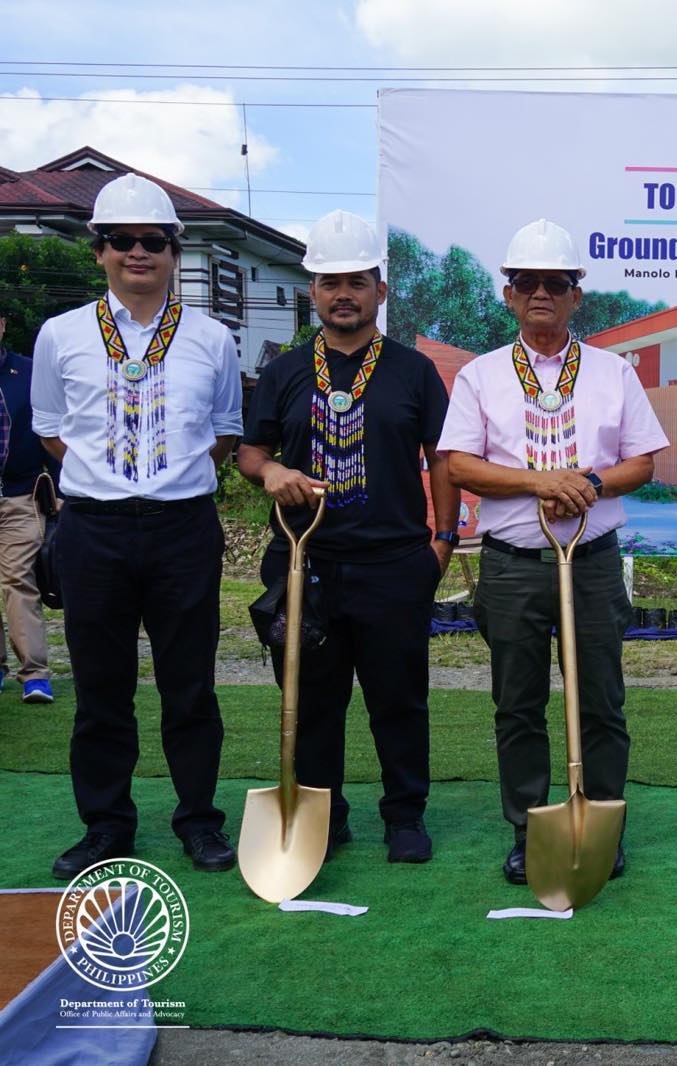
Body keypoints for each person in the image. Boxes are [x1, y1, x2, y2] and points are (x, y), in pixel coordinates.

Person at [438, 219, 668, 885]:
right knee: (517, 704)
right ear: (509, 295)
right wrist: (543, 481)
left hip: (591, 564)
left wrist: (587, 484)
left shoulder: (613, 372)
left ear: (577, 296)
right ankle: (528, 827)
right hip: (513, 567)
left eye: (556, 283)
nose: (541, 293)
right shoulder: (480, 377)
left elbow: (644, 463)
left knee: (601, 702)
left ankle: (601, 824)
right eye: (527, 283)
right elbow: (459, 465)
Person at [31, 174, 242, 878]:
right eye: (121, 240)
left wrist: (165, 484)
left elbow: (221, 434)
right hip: (93, 528)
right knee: (100, 687)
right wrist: (113, 485)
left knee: (190, 686)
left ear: (175, 251)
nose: (138, 252)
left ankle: (199, 822)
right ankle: (106, 825)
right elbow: (53, 433)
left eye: (153, 240)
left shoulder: (212, 339)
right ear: (99, 252)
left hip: (184, 528)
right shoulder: (60, 336)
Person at [238, 210, 458, 864]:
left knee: (399, 700)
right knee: (311, 703)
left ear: (379, 291)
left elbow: (442, 458)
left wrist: (441, 542)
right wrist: (274, 470)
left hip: (393, 563)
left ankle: (405, 817)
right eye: (330, 281)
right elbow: (250, 452)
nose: (344, 294)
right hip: (306, 562)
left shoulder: (412, 371)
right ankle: (322, 817)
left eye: (357, 281)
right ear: (312, 291)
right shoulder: (283, 371)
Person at [0, 314, 54, 703]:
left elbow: (53, 430)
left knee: (19, 582)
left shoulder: (28, 372)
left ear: (3, 325)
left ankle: (35, 674)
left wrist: (60, 485)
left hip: (18, 497)